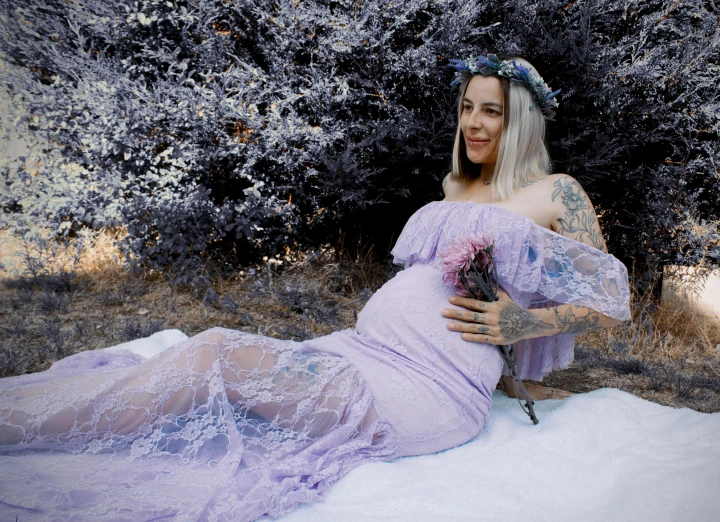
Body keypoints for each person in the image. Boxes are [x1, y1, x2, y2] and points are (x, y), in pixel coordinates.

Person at [0, 54, 631, 521]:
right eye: (466, 107)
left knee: (215, 354)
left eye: (491, 110)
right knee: (207, 383)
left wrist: (524, 325)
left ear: (519, 120)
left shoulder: (556, 195)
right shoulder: (455, 187)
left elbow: (611, 307)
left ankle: (20, 427)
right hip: (362, 353)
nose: (473, 122)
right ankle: (41, 417)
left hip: (423, 389)